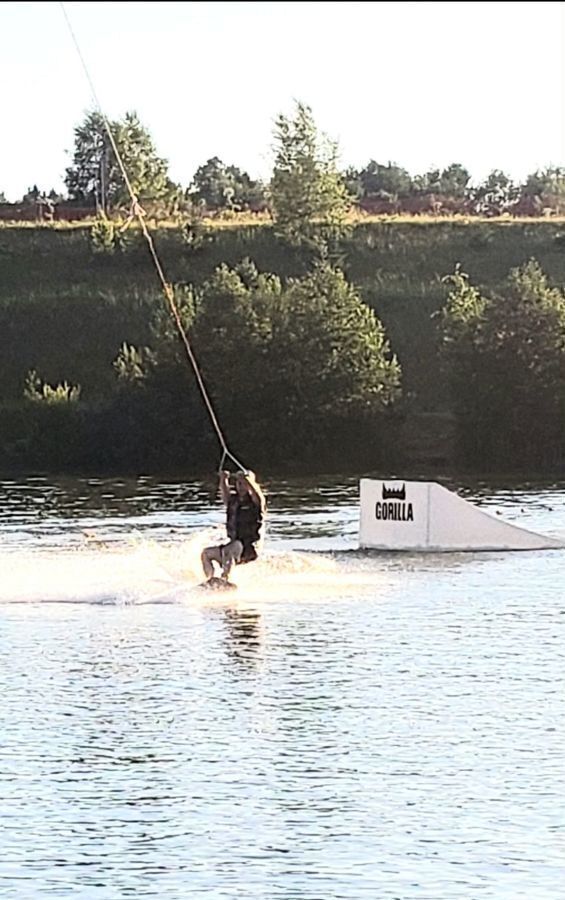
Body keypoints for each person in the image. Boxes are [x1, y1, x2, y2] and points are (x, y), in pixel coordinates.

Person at [201, 470, 266, 582]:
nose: (241, 487)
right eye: (239, 483)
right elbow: (225, 495)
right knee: (206, 554)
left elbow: (258, 495)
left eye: (244, 484)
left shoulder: (256, 503)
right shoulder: (233, 501)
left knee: (232, 548)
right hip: (234, 546)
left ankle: (226, 578)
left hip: (250, 548)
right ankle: (210, 581)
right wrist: (223, 479)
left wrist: (248, 479)